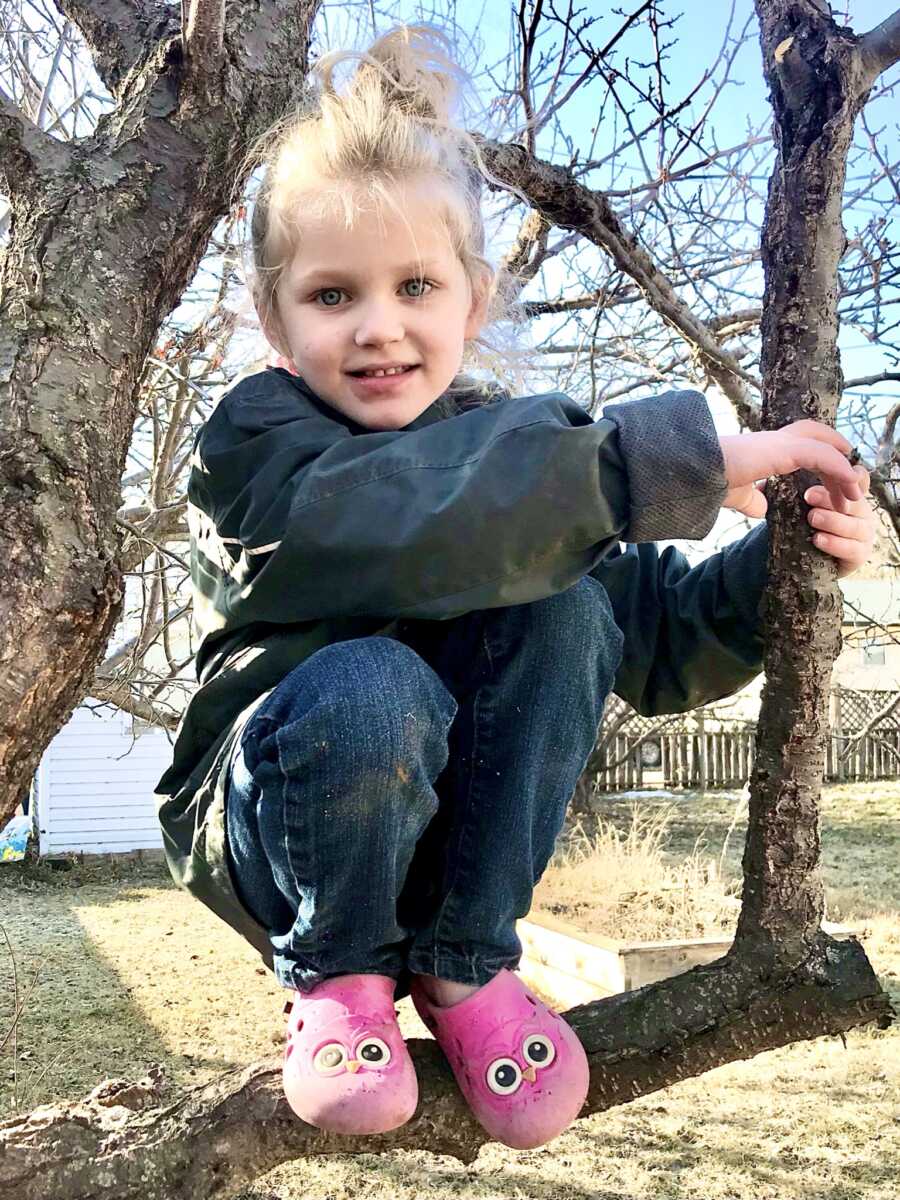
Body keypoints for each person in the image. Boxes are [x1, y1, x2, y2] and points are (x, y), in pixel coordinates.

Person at [154, 22, 876, 1149]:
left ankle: (462, 967)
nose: (379, 325)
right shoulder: (256, 442)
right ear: (274, 316)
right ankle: (338, 982)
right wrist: (662, 463)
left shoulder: (524, 468)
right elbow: (404, 512)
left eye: (416, 285)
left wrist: (787, 564)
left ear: (472, 301)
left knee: (561, 606)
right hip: (274, 828)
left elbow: (650, 634)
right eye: (334, 295)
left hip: (434, 842)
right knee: (372, 686)